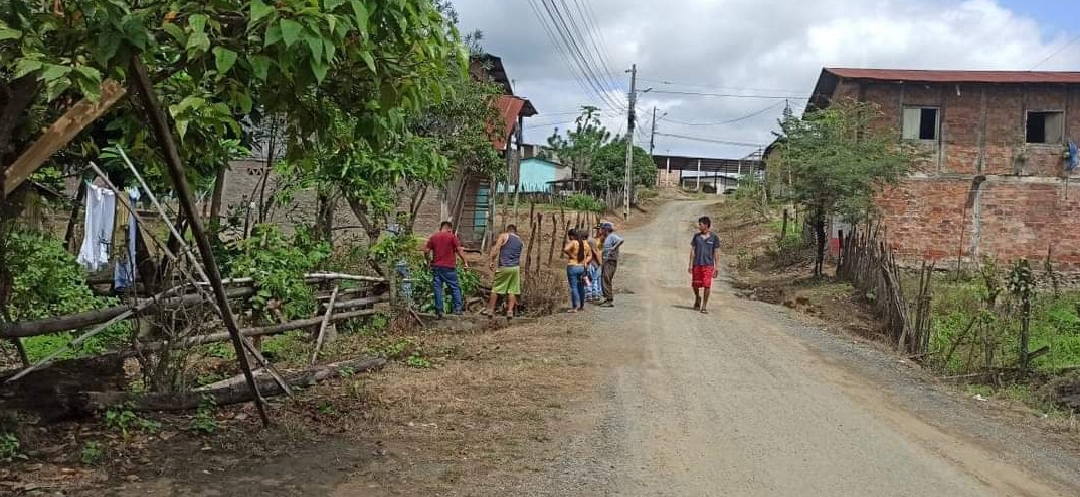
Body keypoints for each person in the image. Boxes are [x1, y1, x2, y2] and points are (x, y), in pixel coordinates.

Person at [424, 221, 469, 317]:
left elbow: (426, 251)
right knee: (454, 287)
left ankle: (439, 310)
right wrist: (465, 262)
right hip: (449, 268)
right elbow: (459, 250)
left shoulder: (433, 237)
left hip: (436, 267)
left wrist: (428, 261)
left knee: (438, 288)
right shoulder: (452, 237)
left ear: (441, 228)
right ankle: (458, 309)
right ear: (449, 228)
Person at [484, 224, 523, 319]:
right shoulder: (520, 241)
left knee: (496, 288)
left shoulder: (504, 236)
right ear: (515, 231)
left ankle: (490, 310)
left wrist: (492, 260)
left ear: (507, 230)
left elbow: (496, 248)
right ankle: (510, 311)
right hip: (515, 268)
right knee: (512, 290)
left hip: (504, 266)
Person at [688, 216, 721, 314]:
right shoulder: (696, 237)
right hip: (697, 264)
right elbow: (693, 251)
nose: (699, 226)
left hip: (708, 265)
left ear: (706, 225)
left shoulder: (714, 237)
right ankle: (697, 297)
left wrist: (717, 267)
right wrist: (690, 265)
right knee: (695, 285)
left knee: (707, 285)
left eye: (700, 224)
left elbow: (716, 252)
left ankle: (704, 306)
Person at [562, 228, 592, 312]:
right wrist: (585, 262)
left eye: (569, 236)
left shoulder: (574, 242)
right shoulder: (585, 243)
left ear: (572, 236)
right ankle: (581, 306)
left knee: (574, 287)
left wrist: (572, 255)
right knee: (581, 287)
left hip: (572, 266)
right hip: (582, 267)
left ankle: (575, 307)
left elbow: (565, 249)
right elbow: (590, 255)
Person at [599, 222, 623, 308]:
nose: (601, 231)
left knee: (606, 279)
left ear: (606, 230)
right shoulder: (606, 237)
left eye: (602, 229)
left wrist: (613, 248)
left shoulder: (612, 236)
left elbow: (621, 240)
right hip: (606, 261)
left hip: (610, 261)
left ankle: (609, 300)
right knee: (604, 279)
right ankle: (607, 297)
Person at [586, 225, 604, 302]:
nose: (598, 231)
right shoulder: (593, 240)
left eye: (599, 229)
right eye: (597, 229)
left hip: (599, 260)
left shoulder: (603, 240)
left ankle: (596, 293)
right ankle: (594, 293)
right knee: (594, 278)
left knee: (597, 278)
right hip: (594, 261)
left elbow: (597, 252)